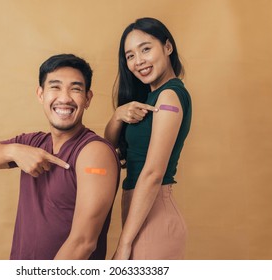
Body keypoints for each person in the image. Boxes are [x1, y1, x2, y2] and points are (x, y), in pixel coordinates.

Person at [0, 54, 120, 260]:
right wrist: (13, 151)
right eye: (55, 87)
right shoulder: (31, 143)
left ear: (88, 99)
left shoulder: (94, 152)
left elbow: (83, 243)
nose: (65, 98)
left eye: (76, 89)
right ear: (40, 94)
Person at [104, 17, 192, 260]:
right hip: (141, 217)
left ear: (167, 47)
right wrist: (117, 116)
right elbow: (108, 149)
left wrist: (124, 243)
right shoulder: (149, 99)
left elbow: (153, 173)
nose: (138, 60)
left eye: (146, 49)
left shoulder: (169, 98)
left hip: (155, 219)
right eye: (130, 55)